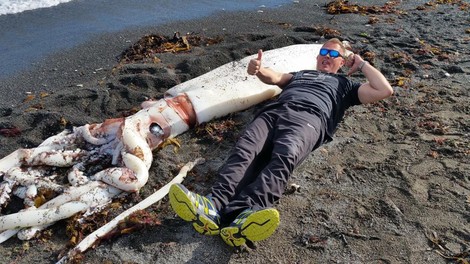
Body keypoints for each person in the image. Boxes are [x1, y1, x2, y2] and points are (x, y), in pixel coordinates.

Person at [168, 38, 393, 248]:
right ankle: (214, 205)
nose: (326, 55)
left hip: (309, 119)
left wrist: (362, 64)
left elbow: (384, 90)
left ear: (342, 62)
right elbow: (274, 78)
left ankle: (247, 212)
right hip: (273, 113)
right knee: (245, 150)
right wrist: (258, 70)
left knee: (284, 156)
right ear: (317, 57)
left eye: (333, 53)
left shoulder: (345, 85)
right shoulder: (301, 74)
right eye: (323, 51)